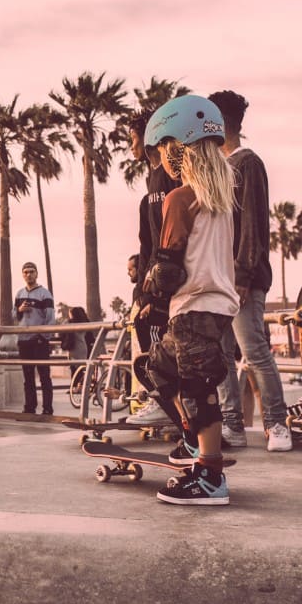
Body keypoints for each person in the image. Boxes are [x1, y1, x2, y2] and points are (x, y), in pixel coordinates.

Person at [140, 94, 239, 504]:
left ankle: (210, 475)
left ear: (177, 147)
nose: (162, 158)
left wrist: (151, 297)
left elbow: (169, 267)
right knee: (157, 369)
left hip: (193, 307)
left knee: (198, 388)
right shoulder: (220, 198)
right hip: (212, 308)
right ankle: (193, 441)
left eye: (163, 148)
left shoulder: (179, 198)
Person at [209, 90, 291, 451]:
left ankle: (277, 424)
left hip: (243, 280)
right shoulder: (221, 167)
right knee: (222, 354)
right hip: (219, 279)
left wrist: (242, 275)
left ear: (221, 123)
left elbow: (255, 226)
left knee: (253, 349)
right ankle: (233, 427)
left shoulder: (248, 163)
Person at [126, 107, 181, 426]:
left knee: (157, 342)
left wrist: (158, 294)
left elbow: (172, 238)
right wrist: (140, 291)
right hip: (153, 281)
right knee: (145, 334)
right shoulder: (149, 188)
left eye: (132, 138)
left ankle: (166, 406)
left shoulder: (170, 177)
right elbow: (148, 244)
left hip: (169, 281)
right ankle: (165, 406)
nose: (130, 146)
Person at [13, 262, 55, 415]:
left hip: (39, 341)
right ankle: (29, 407)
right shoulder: (19, 294)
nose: (28, 275)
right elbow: (13, 316)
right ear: (22, 275)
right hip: (23, 340)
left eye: (31, 272)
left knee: (44, 376)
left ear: (37, 274)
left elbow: (50, 318)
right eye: (25, 272)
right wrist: (19, 309)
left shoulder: (45, 293)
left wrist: (43, 337)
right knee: (28, 377)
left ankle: (47, 409)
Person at [61, 306, 92, 376]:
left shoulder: (69, 324)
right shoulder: (84, 323)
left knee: (74, 372)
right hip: (83, 348)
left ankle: (75, 386)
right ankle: (82, 386)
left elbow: (60, 330)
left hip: (74, 349)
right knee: (81, 371)